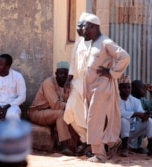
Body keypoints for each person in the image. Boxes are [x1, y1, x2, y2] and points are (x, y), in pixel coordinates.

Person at [70, 13, 130, 163]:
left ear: (93, 27)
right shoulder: (90, 43)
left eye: (85, 26)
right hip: (89, 88)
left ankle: (100, 154)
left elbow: (125, 56)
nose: (82, 29)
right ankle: (113, 142)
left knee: (94, 120)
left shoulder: (106, 42)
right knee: (92, 119)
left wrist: (111, 72)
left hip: (101, 87)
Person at [27, 61, 73, 156]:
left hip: (51, 114)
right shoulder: (49, 83)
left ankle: (75, 146)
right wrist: (72, 107)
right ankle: (65, 146)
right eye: (61, 73)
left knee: (71, 115)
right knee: (61, 113)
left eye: (66, 74)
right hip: (37, 112)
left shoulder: (68, 84)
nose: (63, 76)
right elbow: (55, 105)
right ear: (56, 74)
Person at [64, 12, 91, 157]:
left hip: (88, 85)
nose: (78, 28)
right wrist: (68, 81)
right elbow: (73, 63)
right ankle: (85, 139)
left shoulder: (97, 42)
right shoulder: (79, 41)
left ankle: (90, 143)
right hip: (76, 83)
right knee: (70, 112)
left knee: (87, 115)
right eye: (77, 25)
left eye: (81, 25)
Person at [119, 76, 152, 157]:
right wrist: (137, 114)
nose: (127, 90)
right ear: (119, 88)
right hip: (119, 133)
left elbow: (141, 112)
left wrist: (144, 116)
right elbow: (120, 113)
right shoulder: (116, 100)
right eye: (124, 87)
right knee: (124, 120)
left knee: (149, 121)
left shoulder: (134, 100)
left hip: (132, 131)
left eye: (129, 88)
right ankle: (124, 148)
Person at [131, 80, 152, 152]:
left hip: (140, 129)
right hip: (131, 131)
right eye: (142, 88)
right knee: (141, 120)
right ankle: (136, 146)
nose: (145, 90)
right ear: (135, 89)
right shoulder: (129, 99)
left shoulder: (142, 100)